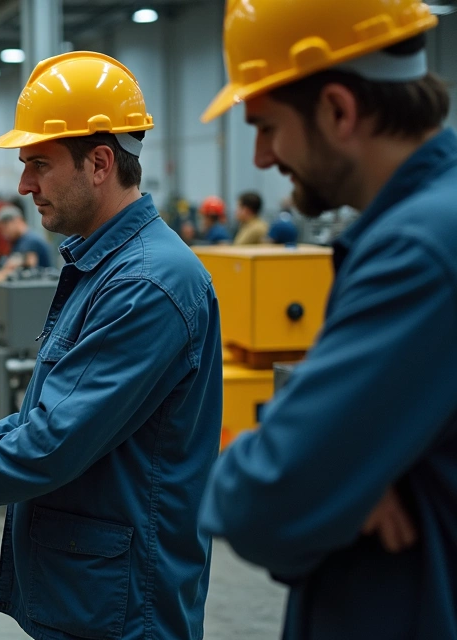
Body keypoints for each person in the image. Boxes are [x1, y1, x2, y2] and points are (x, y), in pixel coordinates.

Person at [0, 52, 222, 640]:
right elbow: (60, 411)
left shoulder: (146, 284)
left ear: (101, 163)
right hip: (92, 589)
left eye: (38, 163)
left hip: (125, 604)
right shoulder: (104, 265)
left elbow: (56, 443)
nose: (24, 184)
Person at [198, 0, 457, 637]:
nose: (260, 158)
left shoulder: (417, 252)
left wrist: (326, 486)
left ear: (339, 111)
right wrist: (346, 479)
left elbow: (260, 501)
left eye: (266, 127)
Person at [0, 204, 53, 282]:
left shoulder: (31, 241)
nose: (3, 234)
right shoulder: (19, 241)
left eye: (5, 228)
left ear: (17, 221)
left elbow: (19, 266)